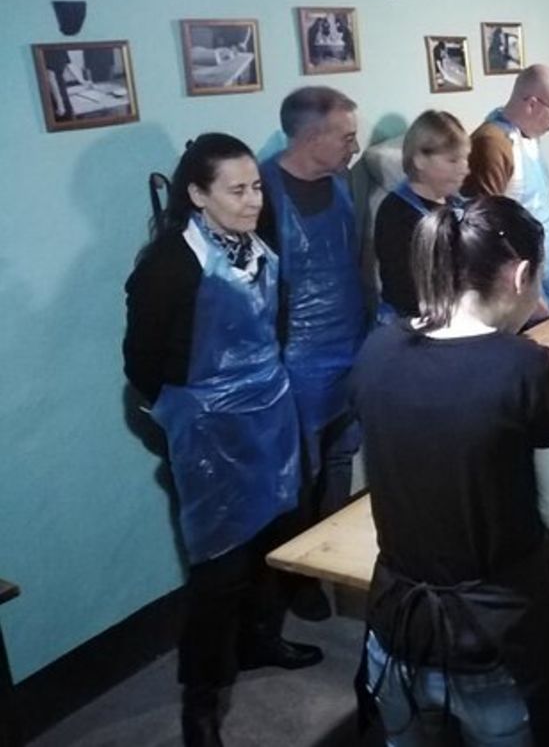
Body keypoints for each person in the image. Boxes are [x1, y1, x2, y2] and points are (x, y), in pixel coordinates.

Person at [353, 195, 549, 745]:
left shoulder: (377, 349)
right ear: (520, 275)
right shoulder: (525, 367)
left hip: (396, 627)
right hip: (494, 640)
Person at [124, 134, 321, 747]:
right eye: (236, 190)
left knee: (273, 539)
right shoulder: (168, 267)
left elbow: (273, 323)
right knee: (218, 570)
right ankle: (200, 705)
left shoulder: (257, 245)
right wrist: (189, 413)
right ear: (197, 195)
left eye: (255, 186)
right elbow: (142, 364)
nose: (252, 200)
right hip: (211, 429)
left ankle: (260, 641)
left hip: (270, 414)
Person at [258, 86, 367, 621]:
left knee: (341, 459)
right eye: (346, 136)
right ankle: (296, 578)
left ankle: (330, 558)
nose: (355, 145)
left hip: (349, 340)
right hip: (294, 358)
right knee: (299, 473)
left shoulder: (340, 180)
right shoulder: (260, 192)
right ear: (310, 136)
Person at [465, 63, 549, 315]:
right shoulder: (492, 143)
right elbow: (489, 230)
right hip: (522, 289)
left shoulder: (527, 136)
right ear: (532, 104)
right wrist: (528, 295)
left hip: (546, 274)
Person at [374, 110, 470, 321]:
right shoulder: (396, 214)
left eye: (465, 159)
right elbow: (406, 292)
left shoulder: (459, 204)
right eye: (453, 161)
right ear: (419, 160)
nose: (465, 169)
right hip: (413, 328)